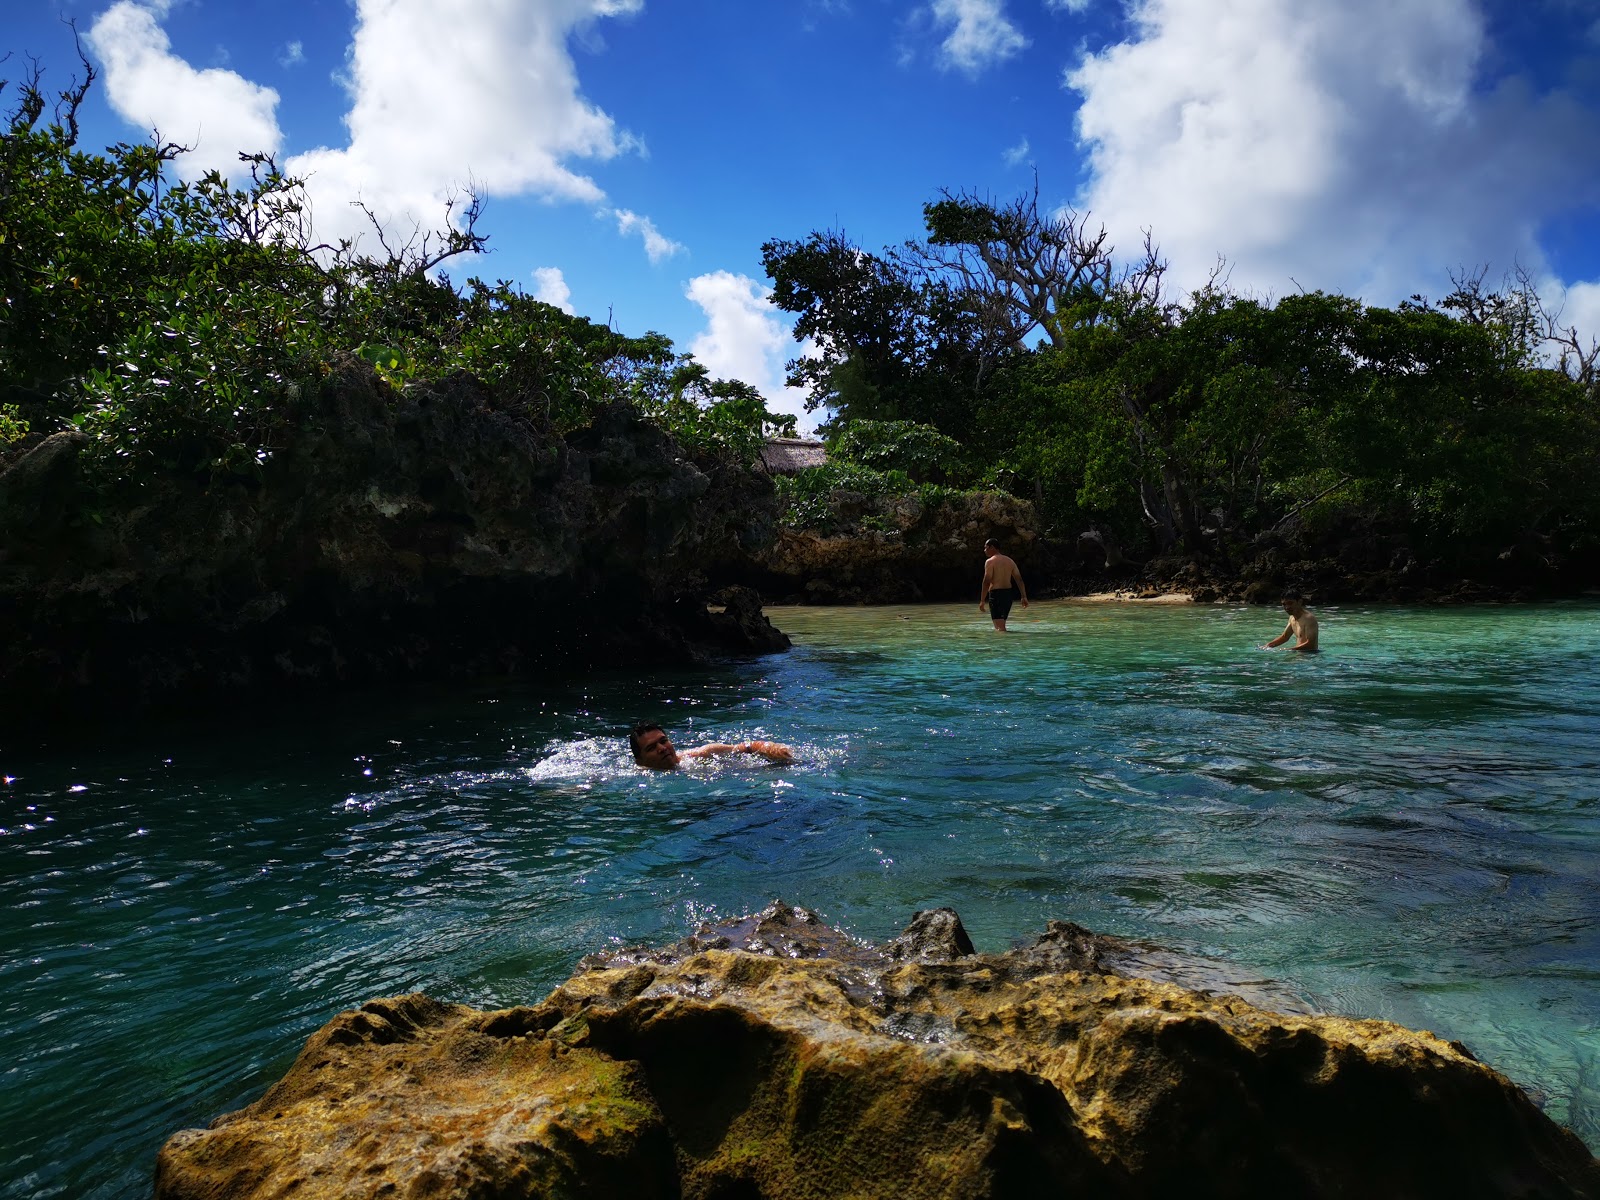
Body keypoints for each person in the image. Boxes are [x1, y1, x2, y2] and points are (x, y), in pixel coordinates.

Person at [629, 722, 794, 771]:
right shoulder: (637, 779)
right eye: (651, 748)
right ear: (640, 761)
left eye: (663, 741)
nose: (662, 748)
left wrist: (773, 749)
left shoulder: (703, 754)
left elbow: (748, 747)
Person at [978, 537, 1029, 632]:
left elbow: (986, 581)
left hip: (996, 595)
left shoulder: (990, 562)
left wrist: (982, 600)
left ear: (992, 547)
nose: (984, 550)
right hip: (1008, 596)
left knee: (1000, 628)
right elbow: (1019, 580)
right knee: (1001, 625)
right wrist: (1024, 596)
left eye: (986, 548)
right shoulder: (1010, 561)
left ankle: (1003, 646)